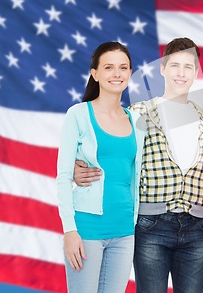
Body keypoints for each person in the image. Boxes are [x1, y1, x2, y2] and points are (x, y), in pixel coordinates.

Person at [73, 38, 203, 293]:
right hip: (152, 224)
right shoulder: (139, 113)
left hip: (196, 226)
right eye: (175, 65)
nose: (181, 73)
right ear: (162, 69)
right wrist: (76, 167)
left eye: (189, 67)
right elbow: (113, 152)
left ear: (196, 72)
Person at [56, 42, 146, 292]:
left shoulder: (136, 120)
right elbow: (63, 176)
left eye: (123, 67)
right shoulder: (78, 114)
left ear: (130, 73)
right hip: (87, 229)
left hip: (125, 230)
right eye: (109, 67)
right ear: (95, 73)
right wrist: (70, 231)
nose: (116, 74)